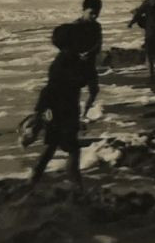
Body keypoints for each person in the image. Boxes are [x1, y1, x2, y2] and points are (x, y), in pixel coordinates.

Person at [24, 17, 101, 195]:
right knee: (73, 149)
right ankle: (77, 186)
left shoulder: (60, 61)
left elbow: (48, 89)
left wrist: (40, 110)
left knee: (50, 146)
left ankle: (33, 179)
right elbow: (77, 82)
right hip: (66, 110)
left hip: (53, 109)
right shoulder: (70, 62)